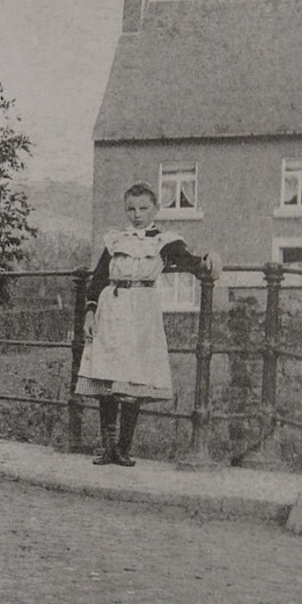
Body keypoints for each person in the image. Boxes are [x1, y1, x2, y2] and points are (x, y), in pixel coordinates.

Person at [77, 182, 218, 465]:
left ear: (155, 209)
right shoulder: (115, 241)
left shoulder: (165, 241)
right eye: (131, 208)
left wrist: (207, 259)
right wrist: (90, 312)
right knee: (107, 376)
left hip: (142, 313)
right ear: (125, 209)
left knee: (134, 376)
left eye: (143, 208)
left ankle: (125, 448)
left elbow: (189, 261)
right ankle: (108, 448)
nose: (137, 214)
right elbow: (98, 279)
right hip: (112, 309)